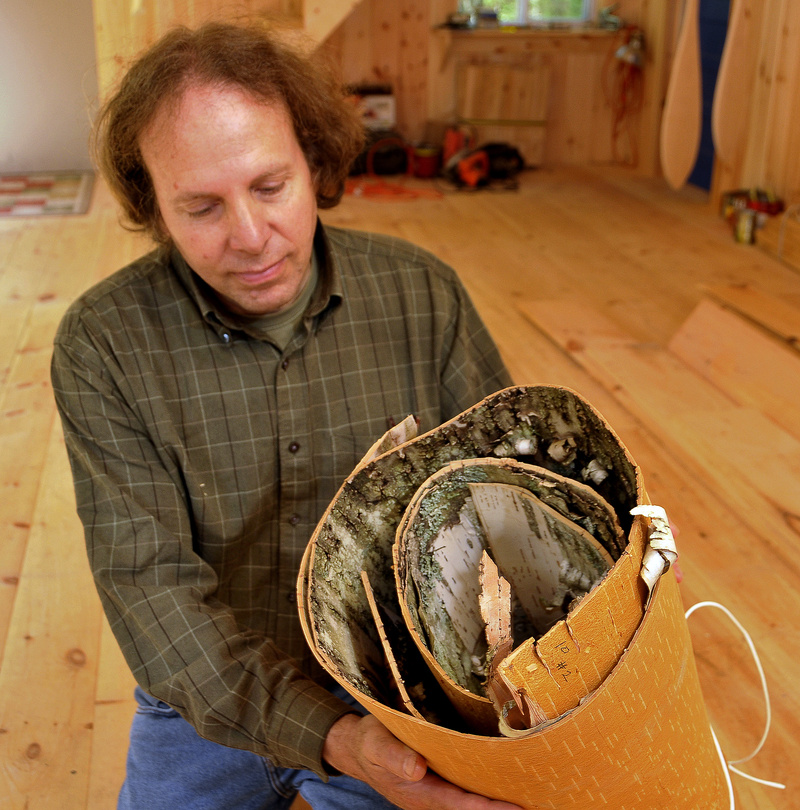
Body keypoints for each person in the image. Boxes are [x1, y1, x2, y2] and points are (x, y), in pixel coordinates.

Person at [52, 21, 518, 810]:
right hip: (208, 690)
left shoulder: (422, 295)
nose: (250, 236)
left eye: (271, 188)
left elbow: (505, 502)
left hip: (400, 692)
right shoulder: (105, 342)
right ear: (152, 205)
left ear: (315, 161)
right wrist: (336, 742)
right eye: (200, 206)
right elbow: (152, 595)